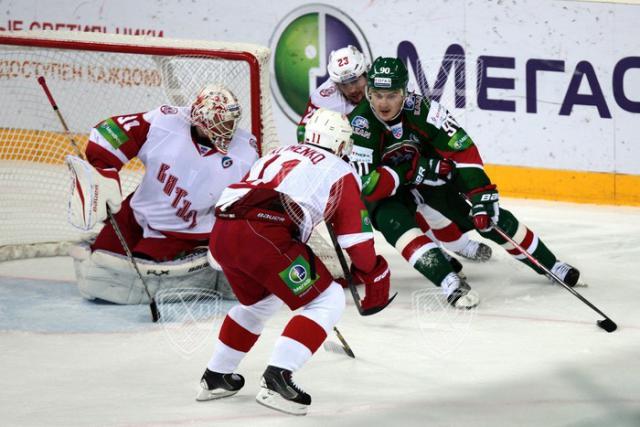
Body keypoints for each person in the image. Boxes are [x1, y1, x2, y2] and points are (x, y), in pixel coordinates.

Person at [196, 108, 392, 416]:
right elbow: (356, 242)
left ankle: (216, 376)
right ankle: (278, 378)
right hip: (265, 234)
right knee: (327, 300)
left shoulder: (278, 152)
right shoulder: (341, 170)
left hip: (222, 231)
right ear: (341, 144)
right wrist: (374, 272)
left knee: (260, 303)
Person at [347, 56, 580, 307]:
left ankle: (550, 264)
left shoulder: (423, 109)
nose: (383, 103)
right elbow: (367, 184)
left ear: (405, 93)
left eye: (391, 95)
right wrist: (411, 170)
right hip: (390, 191)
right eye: (377, 94)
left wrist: (481, 194)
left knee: (491, 218)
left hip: (432, 179)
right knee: (398, 227)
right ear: (369, 92)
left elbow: (461, 150)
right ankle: (448, 280)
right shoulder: (360, 125)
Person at [297, 45, 491, 265]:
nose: (352, 89)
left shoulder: (388, 82)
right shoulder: (324, 97)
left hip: (399, 152)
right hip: (364, 163)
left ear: (366, 73)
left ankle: (459, 245)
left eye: (356, 80)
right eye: (344, 83)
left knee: (427, 199)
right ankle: (438, 254)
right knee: (401, 210)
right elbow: (304, 133)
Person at [66, 84, 258, 304]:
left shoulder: (246, 152)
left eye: (230, 122)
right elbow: (109, 132)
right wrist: (104, 172)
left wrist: (230, 241)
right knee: (99, 262)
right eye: (220, 123)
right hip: (136, 216)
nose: (227, 129)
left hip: (182, 233)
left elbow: (249, 205)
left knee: (134, 276)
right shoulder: (166, 122)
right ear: (200, 119)